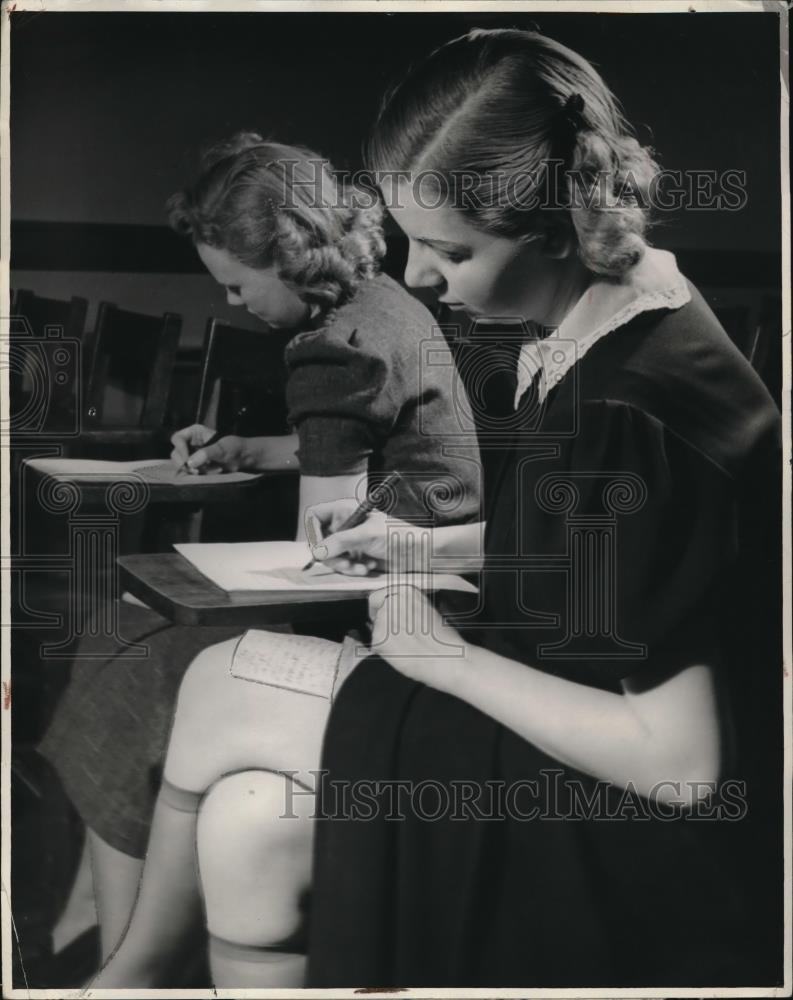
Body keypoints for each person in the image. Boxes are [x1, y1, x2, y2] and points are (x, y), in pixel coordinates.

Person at [298, 28, 782, 988]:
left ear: (556, 230)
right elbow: (628, 549)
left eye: (449, 250)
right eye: (407, 240)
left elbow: (679, 767)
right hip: (587, 741)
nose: (419, 278)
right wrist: (422, 541)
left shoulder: (620, 406)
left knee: (222, 692)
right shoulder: (640, 316)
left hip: (640, 837)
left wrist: (436, 654)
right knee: (237, 825)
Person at [38, 133, 480, 972]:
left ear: (289, 256)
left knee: (128, 648)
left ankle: (120, 951)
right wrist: (253, 448)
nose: (233, 300)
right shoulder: (383, 303)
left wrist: (196, 583)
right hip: (439, 580)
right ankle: (100, 929)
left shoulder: (331, 349)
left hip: (399, 616)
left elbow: (321, 553)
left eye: (236, 283)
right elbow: (372, 449)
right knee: (123, 633)